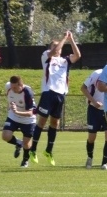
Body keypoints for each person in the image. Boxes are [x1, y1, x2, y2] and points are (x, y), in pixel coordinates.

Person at [30, 30, 81, 165]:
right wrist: (64, 38)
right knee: (42, 122)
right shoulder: (46, 56)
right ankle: (33, 149)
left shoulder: (65, 60)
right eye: (54, 46)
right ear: (50, 48)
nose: (58, 48)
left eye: (59, 46)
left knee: (55, 123)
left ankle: (49, 150)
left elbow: (78, 55)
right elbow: (54, 51)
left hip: (60, 94)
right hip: (49, 92)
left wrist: (71, 40)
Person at [81, 56, 107, 169]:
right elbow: (83, 88)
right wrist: (94, 101)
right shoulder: (97, 74)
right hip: (94, 110)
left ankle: (104, 162)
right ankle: (90, 158)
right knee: (92, 137)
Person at [2, 75, 37, 168]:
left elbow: (30, 113)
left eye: (15, 87)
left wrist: (17, 111)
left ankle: (25, 161)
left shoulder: (28, 92)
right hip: (13, 116)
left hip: (28, 119)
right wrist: (13, 109)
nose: (12, 89)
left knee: (26, 143)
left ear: (20, 85)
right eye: (11, 86)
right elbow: (11, 97)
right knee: (5, 136)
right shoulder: (8, 86)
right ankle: (18, 143)